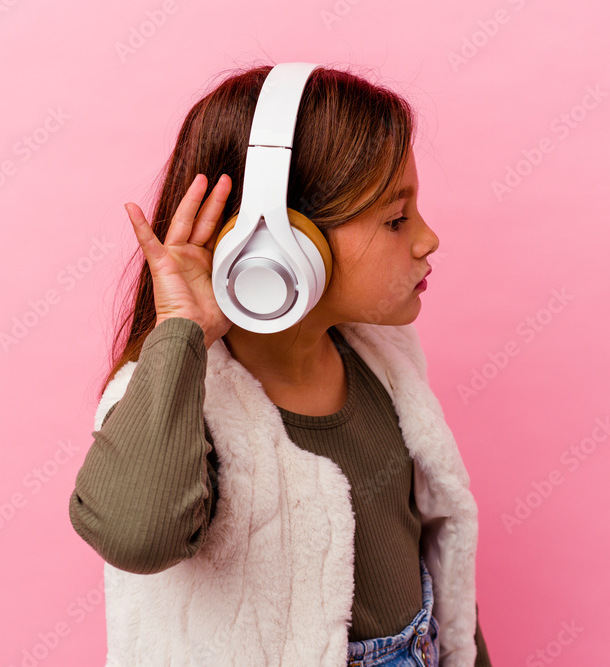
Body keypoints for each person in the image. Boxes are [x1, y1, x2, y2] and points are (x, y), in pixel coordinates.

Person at [68, 63, 492, 667]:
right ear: (279, 245)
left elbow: (439, 565)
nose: (428, 239)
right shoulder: (173, 397)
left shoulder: (383, 363)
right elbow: (136, 535)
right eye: (396, 219)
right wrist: (181, 333)